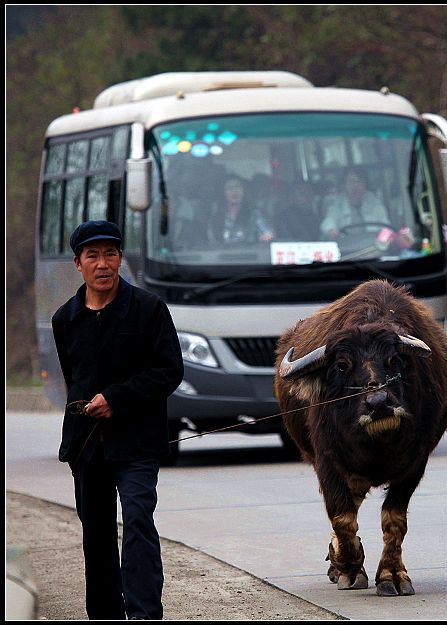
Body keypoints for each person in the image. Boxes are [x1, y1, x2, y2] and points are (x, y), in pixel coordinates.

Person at [52, 220, 184, 619]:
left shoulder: (148, 310)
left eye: (110, 254)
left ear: (120, 259)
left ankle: (145, 613)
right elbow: (73, 381)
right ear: (78, 263)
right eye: (93, 255)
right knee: (96, 535)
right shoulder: (65, 319)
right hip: (87, 447)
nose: (103, 263)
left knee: (139, 520)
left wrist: (116, 398)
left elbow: (169, 371)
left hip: (138, 443)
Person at [319, 168, 389, 239]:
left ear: (365, 184)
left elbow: (386, 226)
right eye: (351, 181)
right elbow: (329, 220)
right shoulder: (339, 203)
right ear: (344, 185)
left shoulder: (373, 201)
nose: (355, 185)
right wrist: (331, 230)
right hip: (347, 247)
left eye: (359, 181)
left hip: (373, 246)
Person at [213, 176, 275, 244]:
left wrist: (265, 237)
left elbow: (268, 234)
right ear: (223, 193)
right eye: (229, 188)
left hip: (249, 253)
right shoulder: (216, 216)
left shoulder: (254, 214)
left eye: (237, 187)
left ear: (244, 191)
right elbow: (212, 242)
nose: (234, 191)